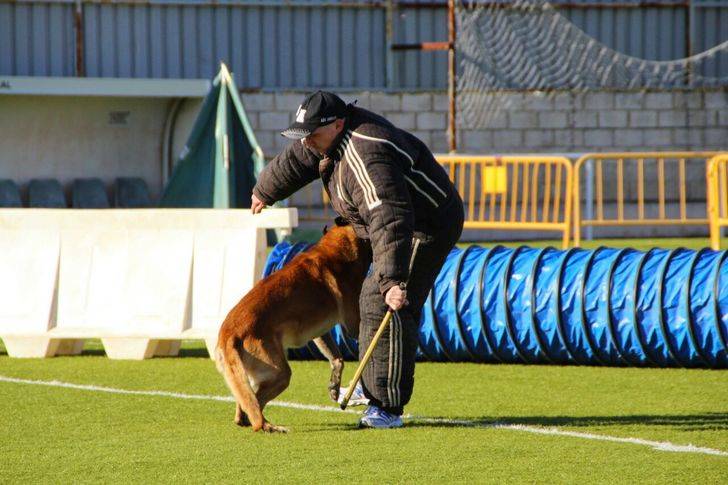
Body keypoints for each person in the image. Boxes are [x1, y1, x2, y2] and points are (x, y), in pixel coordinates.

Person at [251, 91, 464, 428]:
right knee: (367, 297)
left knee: (387, 303)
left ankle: (387, 406)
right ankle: (372, 383)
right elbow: (298, 159)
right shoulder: (326, 138)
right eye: (303, 135)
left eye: (312, 135)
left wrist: (393, 281)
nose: (307, 143)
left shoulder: (367, 154)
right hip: (387, 223)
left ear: (337, 124)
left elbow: (390, 217)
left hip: (424, 225)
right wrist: (265, 189)